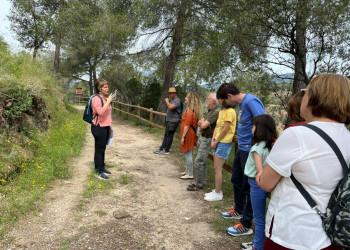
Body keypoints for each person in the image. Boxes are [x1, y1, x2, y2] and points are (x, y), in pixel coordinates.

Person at [258, 74, 350, 250]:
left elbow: (266, 184)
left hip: (292, 232)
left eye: (305, 92)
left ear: (315, 98)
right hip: (330, 233)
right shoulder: (346, 137)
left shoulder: (297, 135)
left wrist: (262, 176)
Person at [217, 83, 265, 236]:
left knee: (250, 187)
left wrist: (256, 148)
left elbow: (263, 124)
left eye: (224, 103)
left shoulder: (251, 102)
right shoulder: (241, 105)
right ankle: (238, 210)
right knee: (236, 179)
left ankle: (246, 223)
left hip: (251, 151)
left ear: (229, 97)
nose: (224, 106)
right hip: (242, 149)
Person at [238, 114, 277, 250]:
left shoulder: (256, 148)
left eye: (253, 125)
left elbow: (259, 171)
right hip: (268, 183)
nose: (252, 128)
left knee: (259, 217)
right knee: (264, 216)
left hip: (257, 183)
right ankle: (260, 243)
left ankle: (258, 245)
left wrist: (260, 176)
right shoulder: (271, 146)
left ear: (259, 128)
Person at [204, 99, 236, 202]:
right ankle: (216, 190)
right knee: (215, 168)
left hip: (224, 142)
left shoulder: (231, 112)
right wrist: (213, 140)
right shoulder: (222, 112)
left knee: (218, 168)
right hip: (217, 141)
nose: (220, 101)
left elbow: (225, 130)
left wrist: (216, 142)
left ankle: (218, 193)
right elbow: (217, 127)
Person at [187, 93, 220, 191]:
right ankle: (200, 181)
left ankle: (199, 184)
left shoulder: (216, 111)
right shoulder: (211, 111)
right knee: (202, 161)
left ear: (213, 101)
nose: (206, 100)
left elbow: (203, 125)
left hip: (207, 138)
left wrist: (203, 123)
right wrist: (203, 123)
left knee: (198, 161)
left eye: (208, 99)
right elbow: (201, 123)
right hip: (203, 137)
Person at [91, 78, 116, 180]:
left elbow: (107, 114)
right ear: (99, 88)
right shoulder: (96, 99)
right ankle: (98, 171)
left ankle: (102, 167)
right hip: (98, 127)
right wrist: (108, 101)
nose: (107, 88)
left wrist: (109, 126)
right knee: (99, 149)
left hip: (105, 127)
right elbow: (100, 112)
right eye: (105, 87)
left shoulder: (105, 99)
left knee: (103, 149)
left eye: (107, 86)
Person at [179, 92, 203, 179]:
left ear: (190, 100)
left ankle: (190, 173)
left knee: (188, 153)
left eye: (186, 97)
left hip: (188, 134)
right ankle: (187, 170)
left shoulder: (189, 111)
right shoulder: (192, 110)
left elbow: (187, 125)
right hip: (190, 133)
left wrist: (183, 137)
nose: (185, 98)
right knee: (188, 153)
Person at [154, 87, 183, 155]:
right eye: (169, 93)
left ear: (174, 93)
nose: (169, 94)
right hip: (170, 121)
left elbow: (170, 107)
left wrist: (167, 101)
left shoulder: (177, 101)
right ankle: (162, 148)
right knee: (166, 134)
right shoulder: (173, 100)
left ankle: (167, 150)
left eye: (171, 93)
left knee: (169, 135)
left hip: (173, 121)